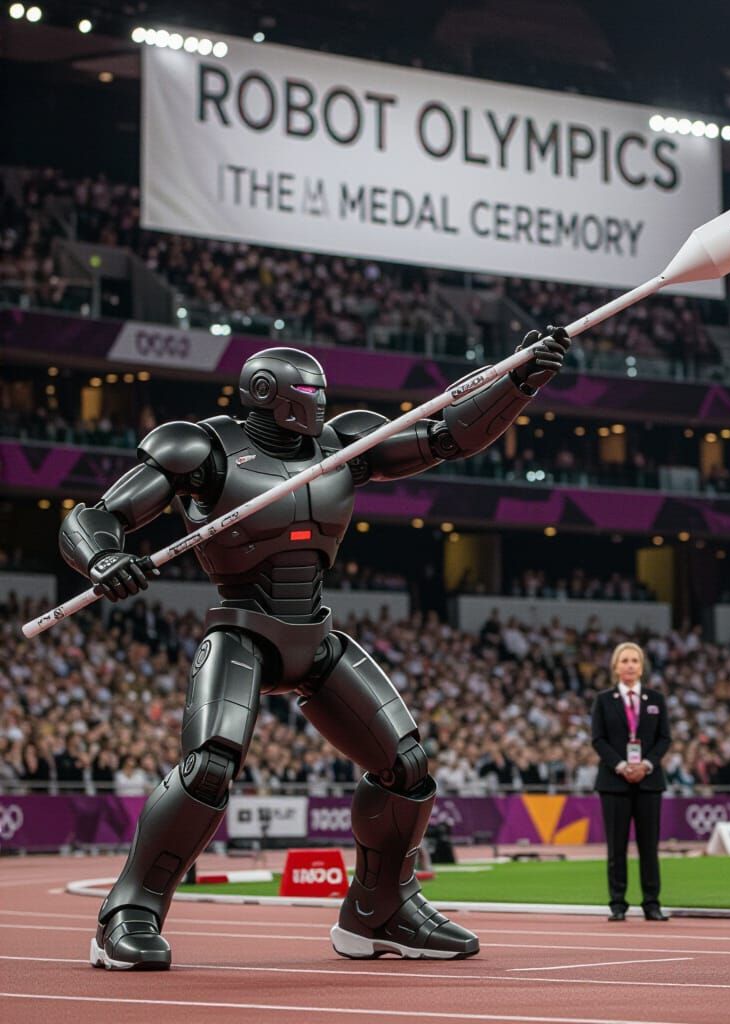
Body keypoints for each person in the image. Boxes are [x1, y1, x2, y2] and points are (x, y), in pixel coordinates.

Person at [57, 330, 570, 970]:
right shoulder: (205, 449)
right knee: (211, 766)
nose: (320, 403)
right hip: (243, 630)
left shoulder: (343, 446)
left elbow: (446, 437)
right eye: (309, 392)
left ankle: (380, 911)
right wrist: (104, 558)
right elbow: (95, 514)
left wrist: (519, 380)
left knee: (407, 767)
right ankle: (128, 912)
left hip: (316, 637)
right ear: (267, 394)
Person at [591, 641, 671, 921]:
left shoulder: (655, 699)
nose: (629, 665)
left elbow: (664, 739)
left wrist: (645, 765)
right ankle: (617, 904)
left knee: (649, 847)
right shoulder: (603, 700)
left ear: (641, 667)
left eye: (634, 661)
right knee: (617, 847)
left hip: (649, 781)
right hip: (614, 782)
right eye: (624, 660)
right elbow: (598, 739)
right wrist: (623, 766)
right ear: (615, 666)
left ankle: (652, 903)